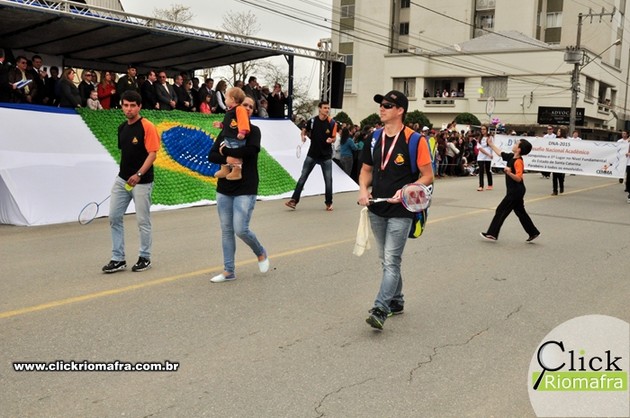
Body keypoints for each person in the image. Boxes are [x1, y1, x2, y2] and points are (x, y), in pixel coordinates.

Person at [357, 90, 433, 330]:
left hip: (402, 210)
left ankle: (381, 308)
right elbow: (366, 170)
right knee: (386, 259)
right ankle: (397, 300)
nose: (382, 108)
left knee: (391, 260)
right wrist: (363, 190)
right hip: (376, 207)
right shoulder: (374, 138)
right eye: (381, 104)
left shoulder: (415, 140)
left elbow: (428, 175)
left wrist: (407, 190)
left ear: (400, 110)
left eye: (388, 105)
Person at [207, 96, 269, 283]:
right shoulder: (226, 130)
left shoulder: (254, 131)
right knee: (227, 230)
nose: (247, 108)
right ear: (237, 107)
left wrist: (226, 151)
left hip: (246, 186)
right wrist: (227, 158)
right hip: (225, 187)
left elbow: (250, 152)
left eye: (251, 106)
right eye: (244, 105)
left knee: (240, 229)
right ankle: (229, 271)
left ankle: (260, 252)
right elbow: (212, 155)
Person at [102, 90, 160, 274]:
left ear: (139, 107)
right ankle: (118, 259)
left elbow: (152, 154)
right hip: (122, 180)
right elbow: (126, 153)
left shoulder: (147, 126)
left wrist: (139, 174)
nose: (129, 109)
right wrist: (126, 176)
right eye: (126, 105)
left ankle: (145, 257)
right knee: (114, 217)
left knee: (143, 220)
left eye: (133, 106)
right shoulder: (122, 128)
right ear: (121, 106)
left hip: (142, 182)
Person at [480, 137, 540, 242]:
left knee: (501, 210)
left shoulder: (518, 162)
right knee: (520, 212)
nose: (514, 144)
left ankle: (492, 234)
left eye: (516, 144)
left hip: (515, 192)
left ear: (519, 149)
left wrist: (509, 173)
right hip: (515, 191)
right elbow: (500, 153)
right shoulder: (511, 157)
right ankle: (533, 232)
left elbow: (519, 178)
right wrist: (491, 144)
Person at [285, 101, 337, 211]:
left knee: (328, 180)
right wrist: (303, 136)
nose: (327, 110)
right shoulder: (312, 121)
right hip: (312, 154)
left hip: (326, 156)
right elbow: (304, 130)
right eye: (325, 108)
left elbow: (334, 138)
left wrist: (331, 140)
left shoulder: (332, 123)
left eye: (328, 108)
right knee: (302, 177)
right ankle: (294, 200)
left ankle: (329, 203)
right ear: (319, 109)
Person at [212, 87, 250, 181]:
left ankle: (237, 171)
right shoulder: (230, 110)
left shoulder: (240, 109)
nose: (225, 100)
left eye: (226, 98)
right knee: (222, 151)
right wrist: (221, 125)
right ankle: (225, 169)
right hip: (228, 137)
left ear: (232, 99)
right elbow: (229, 123)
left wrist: (242, 132)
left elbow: (243, 121)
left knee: (235, 155)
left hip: (235, 138)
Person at [476, 125, 494, 191]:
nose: (482, 130)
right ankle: (481, 185)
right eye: (482, 129)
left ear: (487, 130)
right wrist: (487, 154)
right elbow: (479, 148)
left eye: (484, 129)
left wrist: (491, 154)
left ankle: (490, 184)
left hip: (488, 157)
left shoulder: (490, 137)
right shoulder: (479, 138)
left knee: (488, 170)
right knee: (481, 171)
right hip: (481, 156)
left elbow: (493, 146)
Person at [551, 126, 567, 195]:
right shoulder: (555, 139)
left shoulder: (566, 140)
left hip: (562, 160)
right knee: (554, 176)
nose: (558, 132)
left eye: (559, 131)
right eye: (558, 131)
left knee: (560, 176)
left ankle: (561, 187)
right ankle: (555, 190)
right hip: (555, 159)